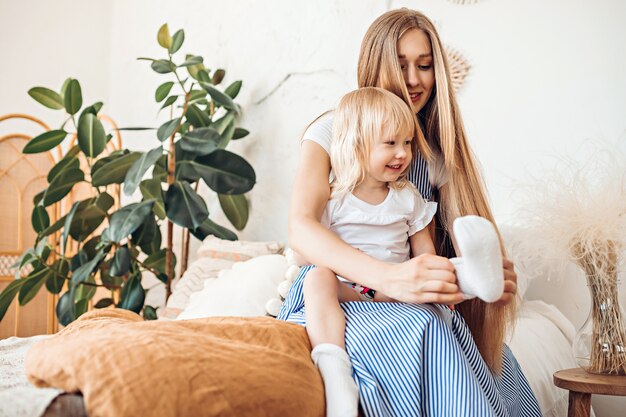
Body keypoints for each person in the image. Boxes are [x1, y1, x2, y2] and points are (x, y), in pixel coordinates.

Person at [279, 8, 541, 417]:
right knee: (427, 329)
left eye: (425, 65)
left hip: (403, 294)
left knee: (496, 361)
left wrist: (482, 277)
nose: (415, 80)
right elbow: (302, 229)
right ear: (373, 65)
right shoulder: (331, 132)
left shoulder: (434, 154)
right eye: (400, 65)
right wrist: (390, 278)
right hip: (339, 291)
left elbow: (443, 248)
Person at [304, 87, 438, 417]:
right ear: (357, 145)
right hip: (350, 289)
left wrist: (433, 279)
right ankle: (333, 365)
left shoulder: (408, 197)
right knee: (316, 278)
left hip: (395, 293)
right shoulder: (335, 198)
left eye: (407, 143)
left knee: (431, 299)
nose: (403, 153)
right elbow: (314, 251)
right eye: (390, 143)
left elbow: (425, 256)